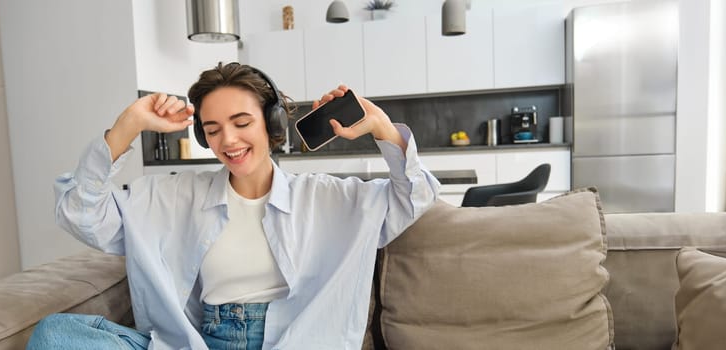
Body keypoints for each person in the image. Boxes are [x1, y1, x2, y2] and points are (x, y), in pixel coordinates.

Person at [27, 62, 439, 350]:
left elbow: (415, 196)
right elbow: (80, 212)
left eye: (242, 123)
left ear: (271, 123)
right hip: (201, 341)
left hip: (295, 341)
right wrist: (128, 125)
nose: (229, 141)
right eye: (214, 130)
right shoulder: (170, 197)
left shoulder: (328, 197)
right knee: (55, 336)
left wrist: (382, 128)